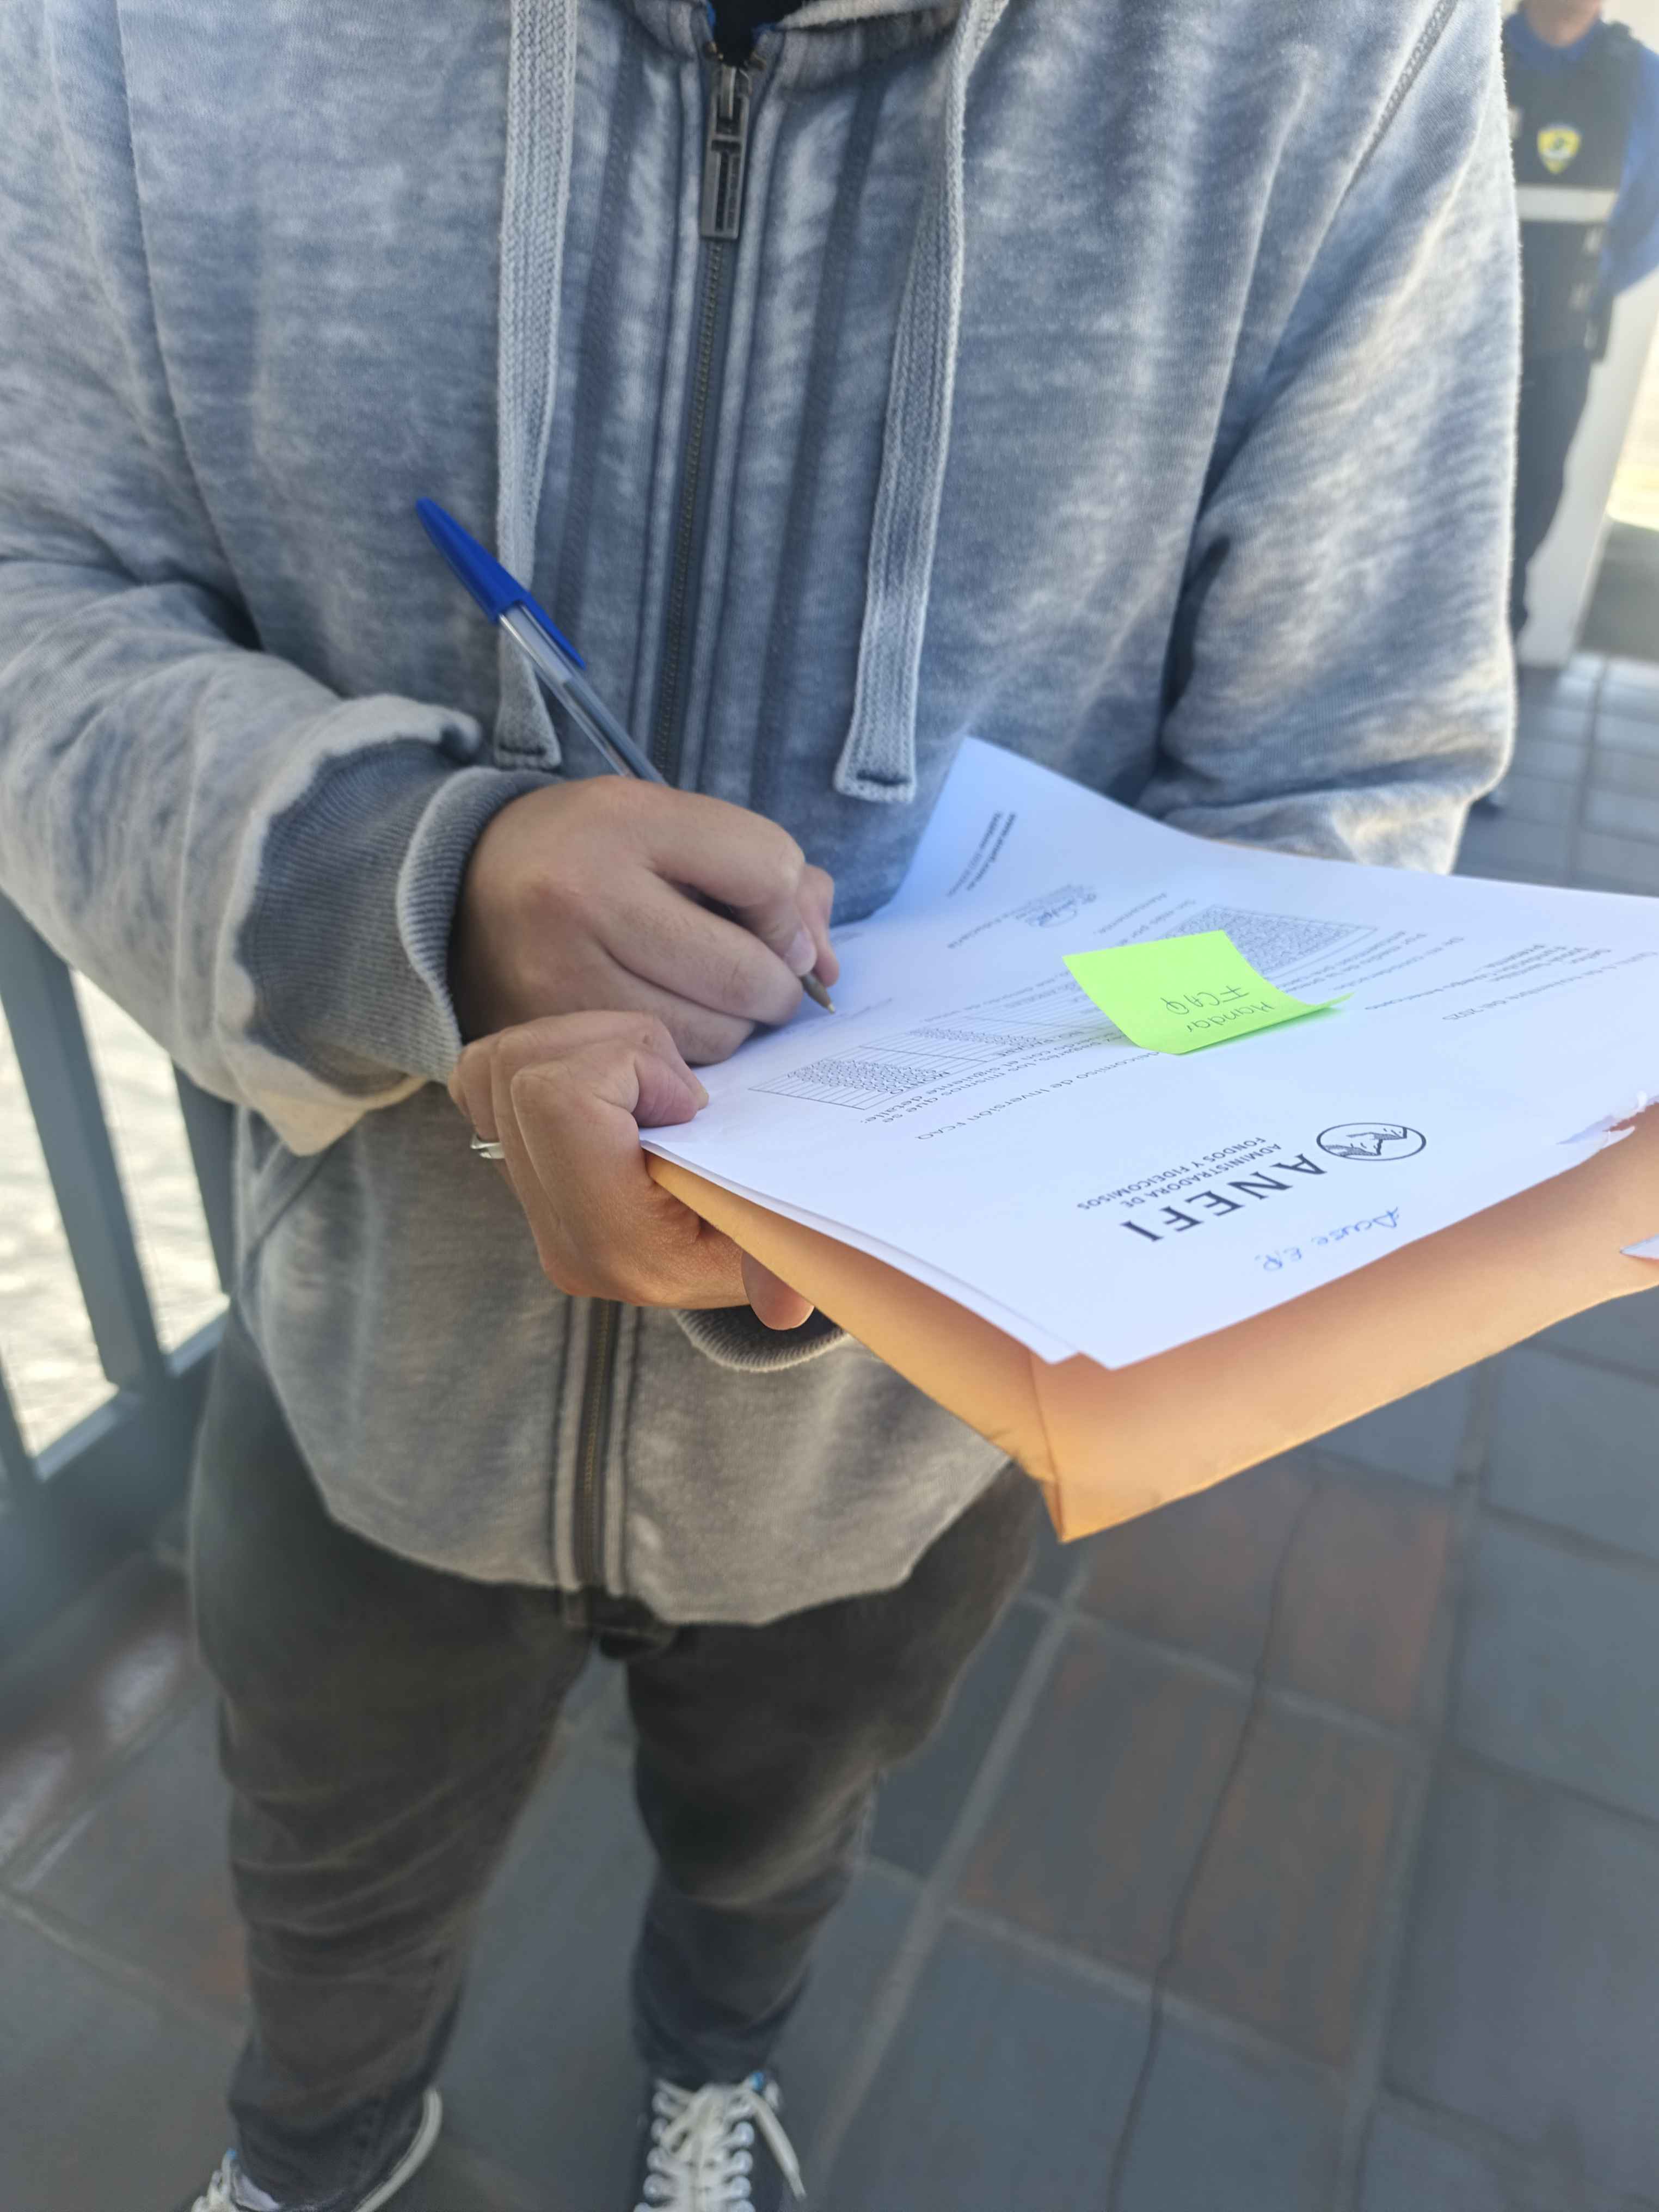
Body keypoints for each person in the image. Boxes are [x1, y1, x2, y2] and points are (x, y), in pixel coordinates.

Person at [0, 3, 1519, 2208]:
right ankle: (317, 2147)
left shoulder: (1341, 49)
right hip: (361, 1364)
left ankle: (706, 2075)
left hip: (896, 1434)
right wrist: (419, 881)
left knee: (775, 1849)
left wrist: (897, 1182)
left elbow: (1343, 789)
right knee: (327, 1869)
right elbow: (31, 594)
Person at [1506, 0, 1659, 634]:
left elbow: (1649, 228)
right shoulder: (1468, 58)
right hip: (1438, 352)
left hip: (1557, 355)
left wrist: (1585, 290)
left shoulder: (1642, 79)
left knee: (1523, 524)